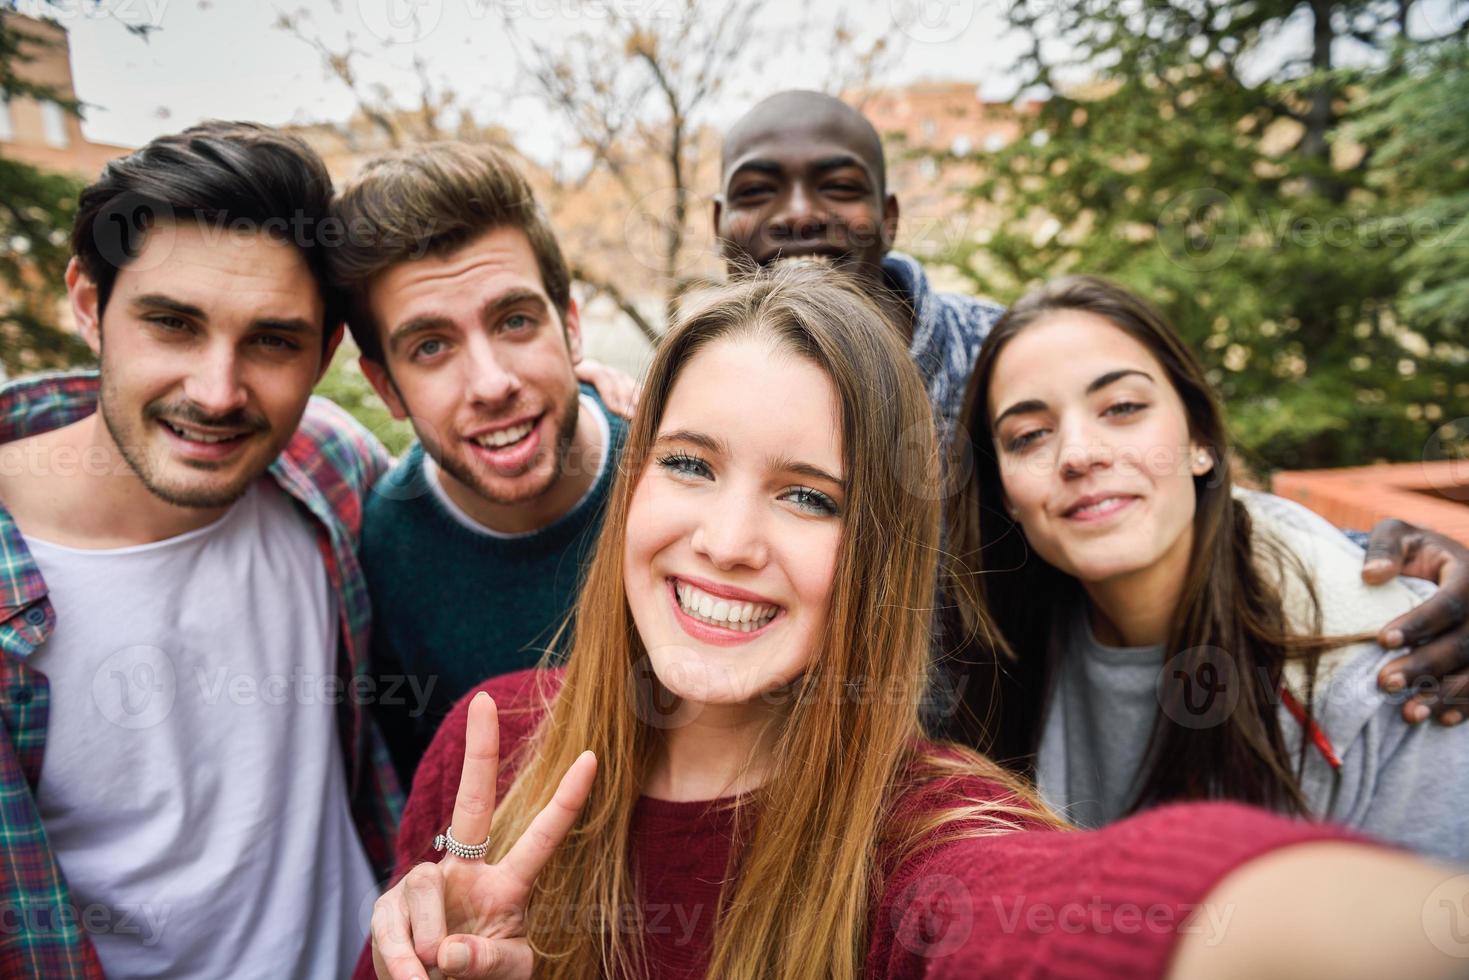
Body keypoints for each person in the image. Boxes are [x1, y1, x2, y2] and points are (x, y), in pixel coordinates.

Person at [358, 267, 1469, 980]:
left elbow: (1065, 911)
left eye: (809, 494)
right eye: (690, 464)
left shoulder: (932, 840)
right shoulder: (490, 743)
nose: (729, 538)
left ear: (880, 548)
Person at [714, 89, 1469, 727]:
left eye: (838, 187)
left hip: (1010, 786)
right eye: (757, 191)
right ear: (719, 221)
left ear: (889, 214)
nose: (799, 214)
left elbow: (1163, 494)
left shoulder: (1003, 359)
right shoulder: (703, 386)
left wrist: (1384, 562)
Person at [0, 122, 398, 977]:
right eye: (173, 325)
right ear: (87, 304)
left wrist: (589, 406)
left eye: (271, 340)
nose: (217, 393)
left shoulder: (328, 469)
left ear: (324, 353)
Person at [947, 275, 1468, 861]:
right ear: (1007, 494)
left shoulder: (1386, 660)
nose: (1077, 454)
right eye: (1029, 436)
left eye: (1122, 407)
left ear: (1201, 440)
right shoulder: (988, 651)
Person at [329, 143, 630, 787]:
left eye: (515, 320)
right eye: (431, 346)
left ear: (570, 327)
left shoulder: (680, 473)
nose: (491, 383)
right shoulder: (386, 552)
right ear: (386, 389)